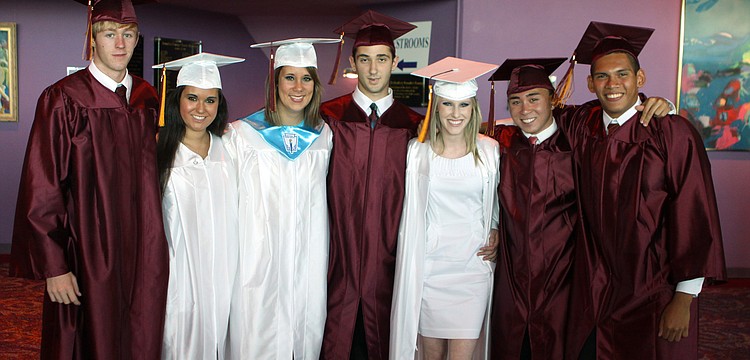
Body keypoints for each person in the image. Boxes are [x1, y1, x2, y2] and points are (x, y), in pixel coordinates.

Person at [9, 0, 168, 358]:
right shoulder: (63, 98)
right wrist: (55, 267)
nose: (120, 44)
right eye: (110, 34)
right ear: (93, 39)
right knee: (86, 341)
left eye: (127, 35)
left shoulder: (146, 98)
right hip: (87, 254)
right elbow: (43, 187)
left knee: (141, 334)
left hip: (145, 250)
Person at [560, 21, 727, 359]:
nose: (613, 85)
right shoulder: (581, 126)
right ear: (590, 83)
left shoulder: (671, 133)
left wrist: (684, 298)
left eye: (622, 74)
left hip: (652, 288)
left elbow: (694, 212)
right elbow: (532, 123)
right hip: (595, 288)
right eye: (603, 77)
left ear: (640, 79)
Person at [224, 38, 337, 359]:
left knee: (304, 330)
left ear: (316, 86)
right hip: (257, 260)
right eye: (289, 77)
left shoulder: (324, 137)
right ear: (275, 82)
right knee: (255, 334)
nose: (298, 87)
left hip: (307, 261)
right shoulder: (241, 136)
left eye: (306, 78)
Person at [320, 11, 423, 359]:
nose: (374, 69)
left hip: (391, 262)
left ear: (395, 61)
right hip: (335, 259)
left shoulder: (414, 126)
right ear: (353, 62)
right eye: (365, 60)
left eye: (382, 59)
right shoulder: (327, 118)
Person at [390, 57, 500, 360]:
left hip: (472, 268)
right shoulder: (418, 153)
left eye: (464, 105)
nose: (456, 113)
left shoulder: (490, 151)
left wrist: (496, 229)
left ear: (473, 109)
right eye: (448, 104)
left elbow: (497, 204)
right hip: (430, 270)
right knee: (430, 356)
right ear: (435, 106)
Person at [153, 52, 244, 359]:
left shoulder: (230, 150)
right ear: (178, 101)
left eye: (210, 100)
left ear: (220, 105)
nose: (200, 109)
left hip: (225, 273)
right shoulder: (159, 154)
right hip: (180, 274)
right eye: (192, 98)